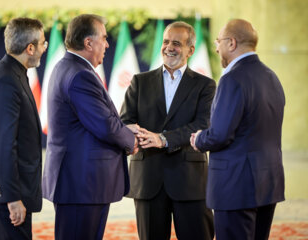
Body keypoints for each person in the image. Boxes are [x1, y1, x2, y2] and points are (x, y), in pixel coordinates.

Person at [42, 14, 138, 240]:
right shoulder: (80, 75)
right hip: (82, 184)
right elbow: (104, 125)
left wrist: (125, 129)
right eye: (103, 38)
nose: (107, 44)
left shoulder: (68, 67)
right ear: (88, 43)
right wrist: (131, 140)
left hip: (79, 183)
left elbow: (95, 120)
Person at [190, 19, 285, 240]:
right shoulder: (272, 77)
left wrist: (199, 139)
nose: (216, 47)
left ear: (231, 43)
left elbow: (220, 135)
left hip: (236, 187)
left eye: (218, 41)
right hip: (268, 183)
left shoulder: (232, 79)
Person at [120, 21, 215, 240]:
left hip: (190, 180)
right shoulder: (139, 82)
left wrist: (162, 139)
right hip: (148, 180)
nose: (169, 47)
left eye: (176, 43)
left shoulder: (205, 85)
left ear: (190, 50)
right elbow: (126, 122)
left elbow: (203, 124)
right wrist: (134, 135)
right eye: (165, 41)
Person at [0, 17, 47, 239]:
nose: (44, 48)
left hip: (9, 194)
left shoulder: (14, 73)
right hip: (4, 198)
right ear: (30, 48)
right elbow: (4, 145)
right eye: (43, 43)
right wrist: (12, 198)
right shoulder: (6, 80)